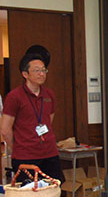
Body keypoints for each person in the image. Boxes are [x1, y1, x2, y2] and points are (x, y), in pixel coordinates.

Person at [0, 45, 64, 184]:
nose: (42, 74)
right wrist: (18, 147)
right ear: (25, 74)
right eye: (36, 71)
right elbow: (5, 129)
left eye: (43, 70)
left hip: (49, 153)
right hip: (25, 156)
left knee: (54, 191)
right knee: (30, 194)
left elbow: (48, 121)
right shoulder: (14, 97)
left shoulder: (49, 94)